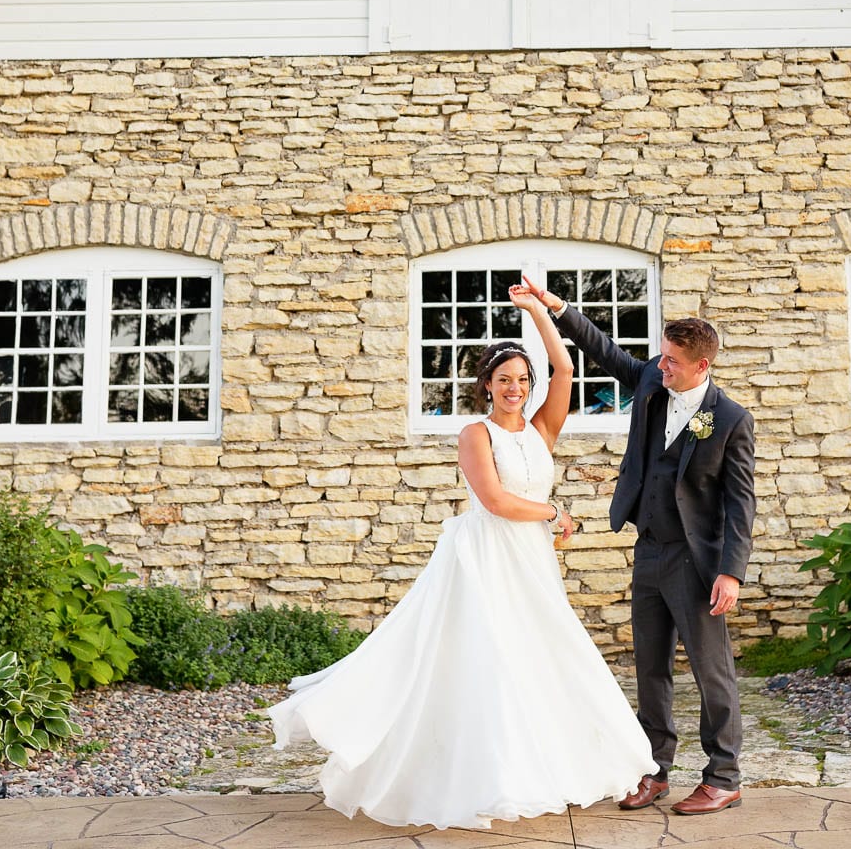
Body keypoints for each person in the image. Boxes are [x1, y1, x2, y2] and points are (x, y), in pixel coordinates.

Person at [267, 282, 655, 830]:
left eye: (522, 380)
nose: (515, 388)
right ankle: (479, 775)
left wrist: (541, 312)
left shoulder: (543, 429)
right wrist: (552, 513)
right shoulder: (476, 433)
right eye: (504, 381)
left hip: (532, 562)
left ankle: (539, 769)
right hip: (487, 559)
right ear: (488, 387)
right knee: (489, 660)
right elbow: (495, 501)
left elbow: (565, 370)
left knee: (542, 657)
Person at [520, 274, 755, 817]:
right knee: (649, 665)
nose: (660, 364)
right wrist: (556, 306)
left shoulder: (730, 420)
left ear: (702, 365)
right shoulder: (653, 379)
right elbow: (605, 351)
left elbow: (741, 503)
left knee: (710, 668)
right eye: (661, 356)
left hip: (697, 562)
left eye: (672, 360)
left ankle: (724, 775)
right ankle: (654, 769)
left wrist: (731, 573)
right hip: (649, 548)